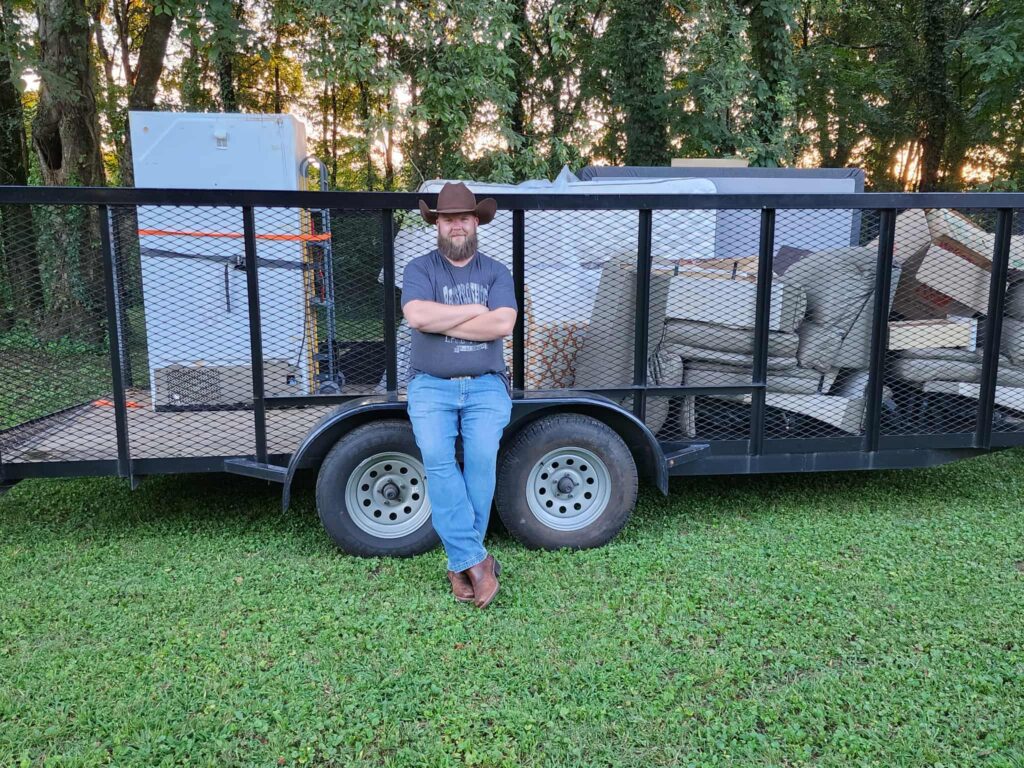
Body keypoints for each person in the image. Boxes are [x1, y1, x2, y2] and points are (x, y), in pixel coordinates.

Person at [401, 182, 517, 608]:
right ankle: (476, 561)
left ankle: (460, 565)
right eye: (447, 219)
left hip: (487, 385)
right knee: (437, 458)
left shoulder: (495, 272)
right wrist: (475, 311)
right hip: (430, 384)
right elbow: (416, 314)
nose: (456, 226)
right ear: (437, 224)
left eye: (463, 218)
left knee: (482, 462)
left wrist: (441, 321)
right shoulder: (420, 268)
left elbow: (503, 324)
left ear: (476, 222)